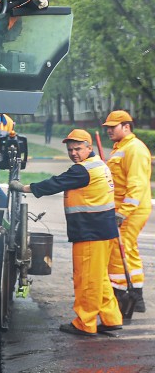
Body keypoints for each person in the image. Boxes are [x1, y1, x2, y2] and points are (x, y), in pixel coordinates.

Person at [9, 129, 123, 336]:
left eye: (78, 149)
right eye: (70, 150)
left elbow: (55, 183)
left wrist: (25, 188)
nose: (73, 153)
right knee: (99, 278)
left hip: (90, 233)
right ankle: (111, 318)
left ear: (89, 147)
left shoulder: (82, 170)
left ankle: (85, 323)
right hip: (104, 231)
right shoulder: (99, 165)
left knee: (87, 279)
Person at [102, 110, 151, 315]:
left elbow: (136, 184)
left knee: (119, 249)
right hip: (125, 208)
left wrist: (123, 212)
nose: (109, 131)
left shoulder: (135, 149)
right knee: (128, 248)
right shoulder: (121, 147)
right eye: (107, 128)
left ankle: (122, 293)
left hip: (131, 210)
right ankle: (136, 295)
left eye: (113, 127)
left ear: (126, 127)